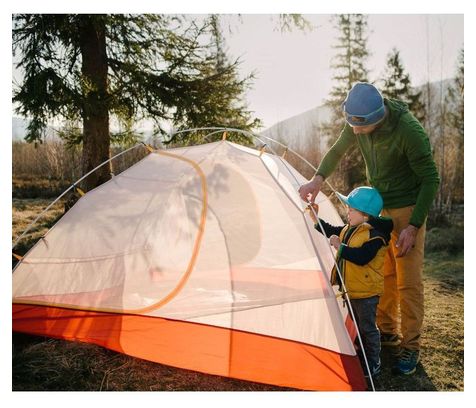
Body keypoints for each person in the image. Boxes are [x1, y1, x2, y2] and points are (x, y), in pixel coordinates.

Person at [299, 82, 440, 376]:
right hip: (377, 208)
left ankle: (410, 347)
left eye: (361, 127)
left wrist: (413, 225)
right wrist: (317, 180)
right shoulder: (358, 120)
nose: (356, 132)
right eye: (353, 125)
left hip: (407, 208)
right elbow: (338, 150)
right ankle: (386, 331)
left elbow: (430, 179)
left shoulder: (408, 131)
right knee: (382, 271)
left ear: (378, 117)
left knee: (408, 280)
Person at [308, 186, 393, 379]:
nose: (348, 212)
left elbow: (362, 257)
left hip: (367, 293)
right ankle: (362, 354)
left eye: (351, 209)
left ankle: (374, 362)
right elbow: (329, 230)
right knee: (358, 325)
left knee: (368, 328)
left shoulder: (376, 236)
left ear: (365, 215)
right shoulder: (350, 229)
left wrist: (340, 247)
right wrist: (315, 218)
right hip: (352, 290)